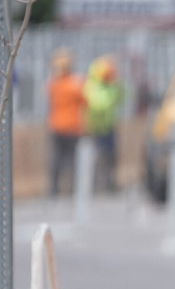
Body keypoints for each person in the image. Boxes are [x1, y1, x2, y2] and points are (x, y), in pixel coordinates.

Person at [46, 48, 85, 197]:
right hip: (72, 127)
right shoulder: (75, 84)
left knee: (56, 159)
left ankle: (54, 189)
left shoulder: (53, 84)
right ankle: (72, 189)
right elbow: (84, 100)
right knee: (72, 159)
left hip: (57, 126)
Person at [84, 56, 124, 193]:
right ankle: (95, 185)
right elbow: (100, 105)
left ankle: (109, 184)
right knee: (97, 158)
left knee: (111, 157)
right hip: (95, 129)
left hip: (109, 127)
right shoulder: (92, 86)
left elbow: (122, 97)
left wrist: (117, 85)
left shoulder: (111, 86)